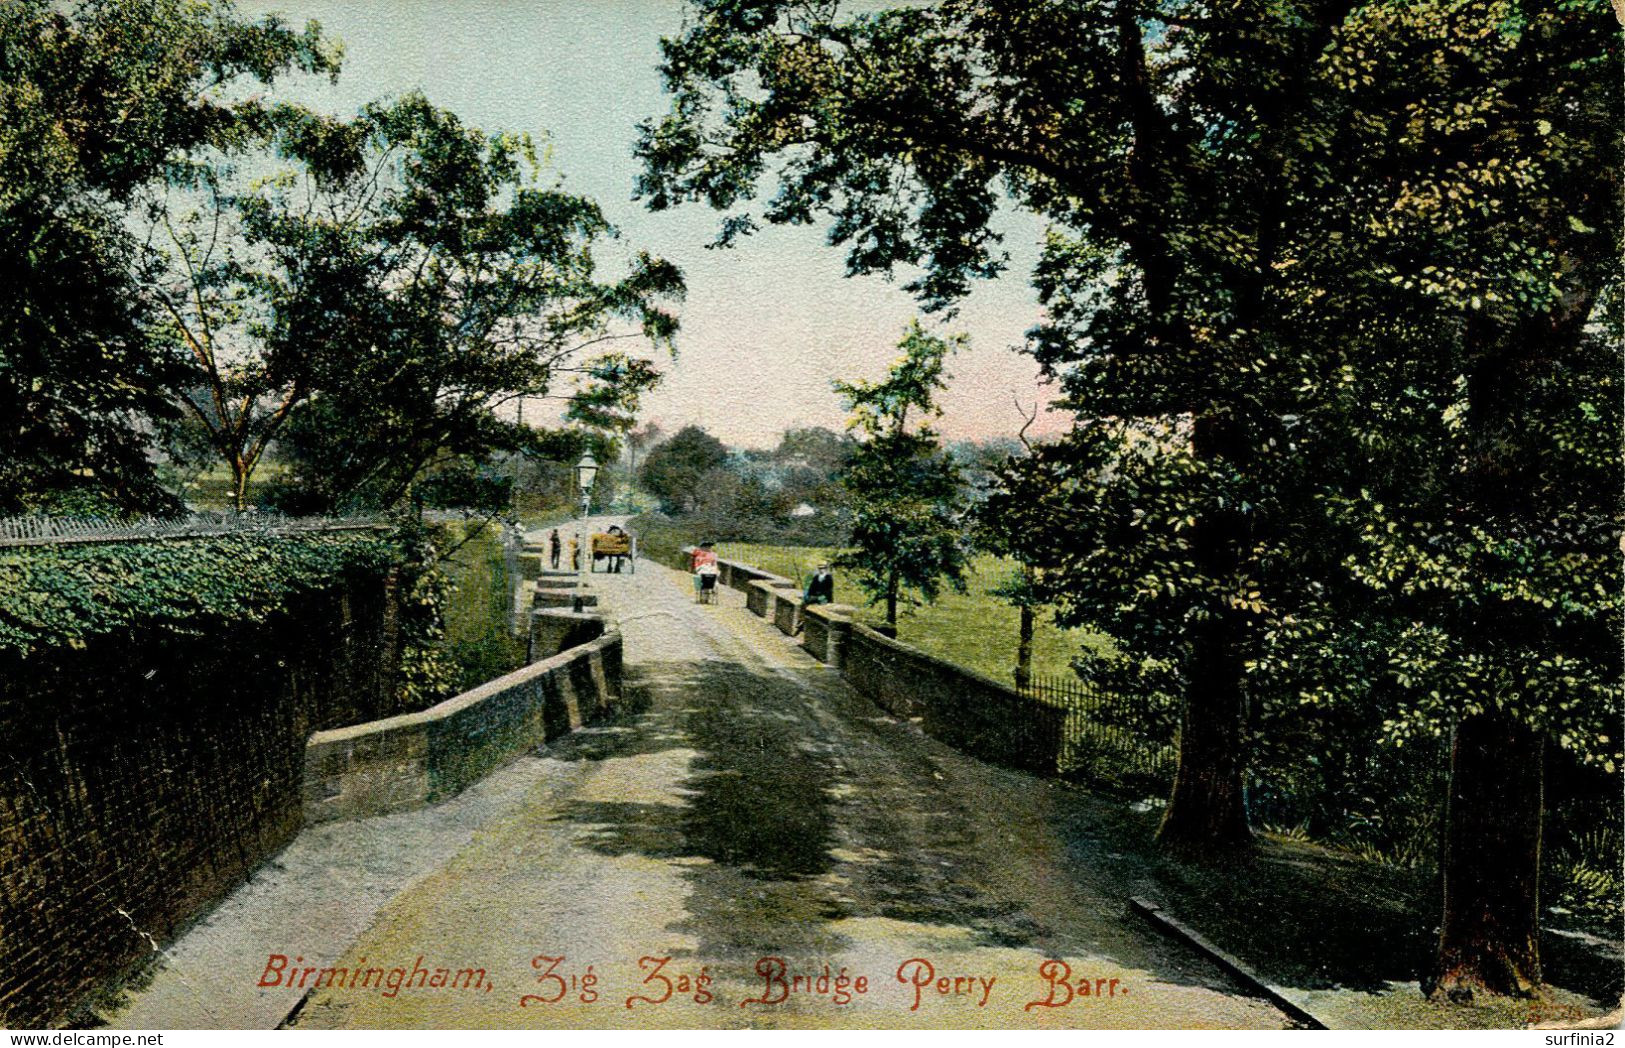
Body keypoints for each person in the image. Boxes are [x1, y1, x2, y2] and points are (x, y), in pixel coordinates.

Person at [795, 563, 834, 634]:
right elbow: (812, 588)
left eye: (823, 568)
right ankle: (800, 620)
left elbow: (829, 591)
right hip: (815, 596)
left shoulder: (829, 578)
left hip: (824, 597)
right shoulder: (816, 577)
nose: (821, 570)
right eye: (820, 568)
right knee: (804, 602)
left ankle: (803, 623)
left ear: (826, 569)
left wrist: (822, 597)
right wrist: (809, 595)